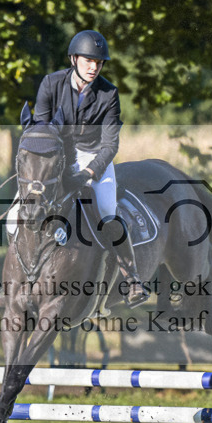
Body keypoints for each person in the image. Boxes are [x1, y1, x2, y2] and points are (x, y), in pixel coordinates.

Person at [31, 29, 148, 307]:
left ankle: (131, 278)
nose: (94, 67)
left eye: (99, 63)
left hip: (95, 157)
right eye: (88, 61)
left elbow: (109, 145)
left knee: (107, 210)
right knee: (20, 206)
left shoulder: (109, 94)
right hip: (57, 155)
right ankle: (15, 279)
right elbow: (41, 130)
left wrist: (88, 173)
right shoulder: (51, 84)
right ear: (73, 59)